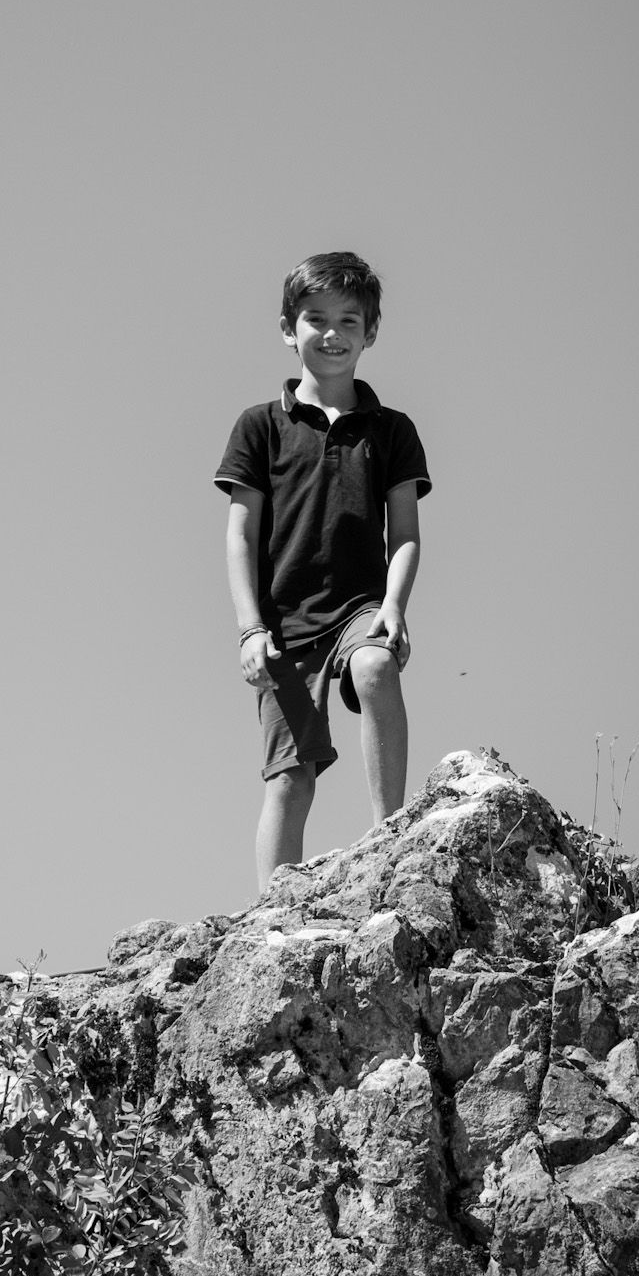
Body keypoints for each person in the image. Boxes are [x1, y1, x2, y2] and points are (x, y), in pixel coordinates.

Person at [215, 251, 431, 890]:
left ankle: (390, 840)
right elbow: (239, 533)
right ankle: (270, 920)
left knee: (376, 665)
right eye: (316, 319)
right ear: (289, 328)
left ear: (371, 332)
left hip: (357, 609)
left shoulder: (392, 431)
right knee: (290, 778)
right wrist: (250, 628)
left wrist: (393, 606)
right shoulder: (260, 426)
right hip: (282, 627)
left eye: (348, 320)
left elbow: (407, 535)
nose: (332, 334)